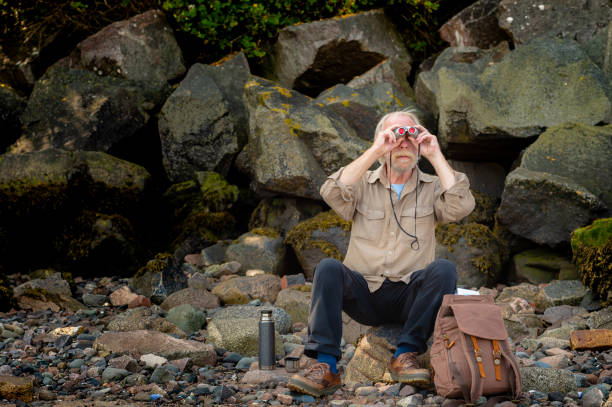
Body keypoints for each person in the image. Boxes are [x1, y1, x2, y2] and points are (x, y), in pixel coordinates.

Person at [287, 110, 476, 397]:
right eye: (396, 135)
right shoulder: (362, 184)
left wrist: (435, 154)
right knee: (327, 268)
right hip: (364, 292)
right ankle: (325, 365)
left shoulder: (432, 187)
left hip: (408, 296)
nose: (403, 142)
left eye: (410, 135)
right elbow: (330, 191)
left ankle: (405, 354)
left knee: (444, 270)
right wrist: (377, 148)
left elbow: (461, 206)